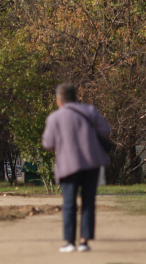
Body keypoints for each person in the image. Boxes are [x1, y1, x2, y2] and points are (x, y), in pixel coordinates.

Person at [42, 84, 111, 253]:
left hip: (68, 165)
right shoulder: (90, 111)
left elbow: (48, 143)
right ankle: (84, 241)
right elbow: (106, 130)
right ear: (75, 96)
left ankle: (69, 242)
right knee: (88, 202)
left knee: (69, 204)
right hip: (91, 164)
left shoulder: (55, 117)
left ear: (59, 100)